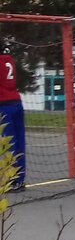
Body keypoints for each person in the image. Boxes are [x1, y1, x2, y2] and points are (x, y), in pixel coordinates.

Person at [0, 48, 27, 191]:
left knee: (8, 144)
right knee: (19, 143)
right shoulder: (8, 60)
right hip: (16, 102)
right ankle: (20, 179)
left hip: (4, 106)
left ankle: (11, 180)